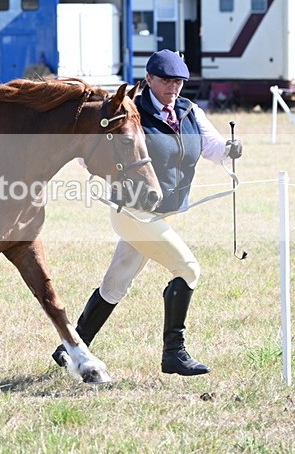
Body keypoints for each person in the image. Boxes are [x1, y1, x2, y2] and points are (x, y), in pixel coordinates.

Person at [54, 49, 243, 376]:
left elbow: (211, 146)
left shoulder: (188, 111)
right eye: (167, 80)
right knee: (188, 269)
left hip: (163, 212)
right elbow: (91, 154)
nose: (174, 87)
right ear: (150, 79)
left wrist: (230, 149)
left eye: (179, 81)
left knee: (115, 284)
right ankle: (174, 354)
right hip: (133, 211)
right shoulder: (131, 111)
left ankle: (71, 348)